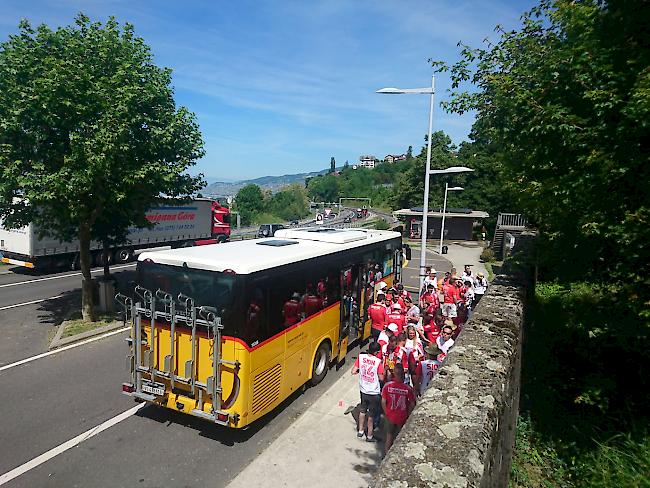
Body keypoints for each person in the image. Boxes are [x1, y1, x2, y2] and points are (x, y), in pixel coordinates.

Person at [351, 342, 385, 442]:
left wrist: (360, 372)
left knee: (362, 411)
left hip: (363, 390)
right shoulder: (378, 361)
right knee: (371, 415)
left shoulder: (361, 358)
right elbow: (381, 378)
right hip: (373, 391)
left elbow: (353, 371)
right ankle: (370, 436)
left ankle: (360, 430)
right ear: (376, 352)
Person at [381, 363, 416, 454]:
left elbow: (383, 401)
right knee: (399, 438)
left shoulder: (387, 386)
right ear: (403, 375)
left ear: (394, 374)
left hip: (390, 415)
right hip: (402, 417)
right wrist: (408, 414)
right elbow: (412, 404)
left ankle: (386, 455)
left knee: (389, 436)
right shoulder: (408, 389)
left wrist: (386, 413)